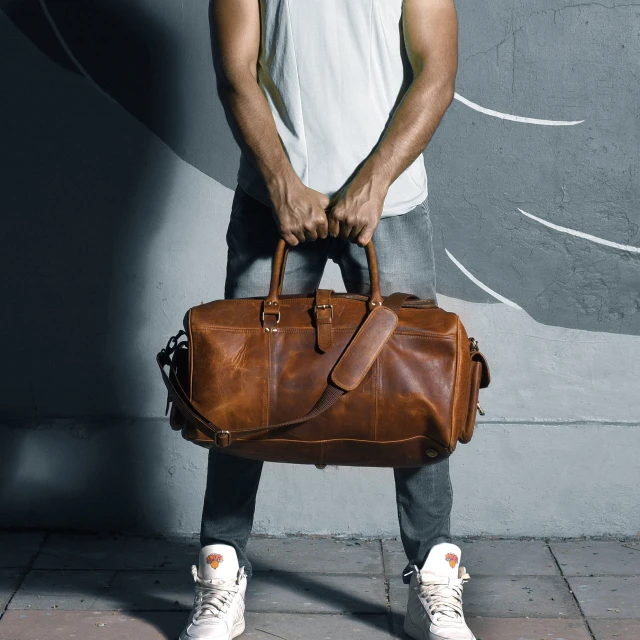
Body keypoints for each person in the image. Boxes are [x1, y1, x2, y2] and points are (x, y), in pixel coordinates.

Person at [179, 1, 474, 639]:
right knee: (237, 389)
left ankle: (434, 576)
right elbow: (237, 71)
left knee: (417, 390)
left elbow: (437, 73)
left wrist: (374, 182)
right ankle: (221, 571)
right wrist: (282, 183)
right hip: (275, 199)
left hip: (389, 204)